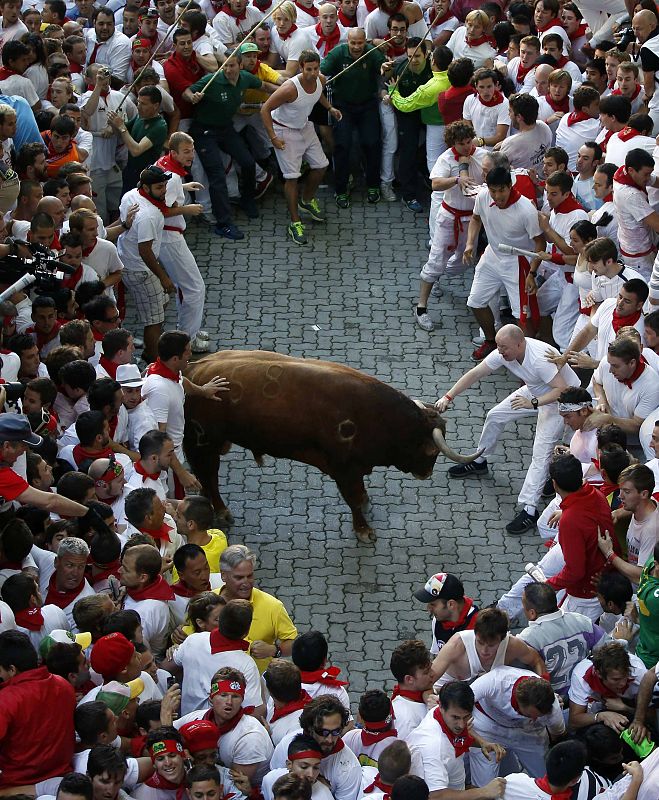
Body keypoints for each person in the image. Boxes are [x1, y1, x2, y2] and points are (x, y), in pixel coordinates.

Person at [436, 324, 580, 534]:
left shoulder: (539, 358)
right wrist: (448, 396)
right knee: (495, 416)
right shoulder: (504, 353)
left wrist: (534, 403)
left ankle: (530, 510)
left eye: (504, 347)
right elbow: (476, 373)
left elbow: (564, 389)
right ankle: (479, 461)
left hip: (561, 402)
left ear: (520, 344)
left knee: (540, 454)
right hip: (534, 392)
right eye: (498, 346)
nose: (500, 351)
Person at [460, 169, 545, 361]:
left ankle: (529, 361)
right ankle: (491, 341)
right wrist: (470, 244)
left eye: (501, 191)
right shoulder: (482, 197)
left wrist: (532, 272)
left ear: (510, 187)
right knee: (475, 301)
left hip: (517, 262)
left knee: (522, 316)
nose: (497, 196)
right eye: (493, 191)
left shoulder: (526, 209)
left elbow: (540, 242)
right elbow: (475, 219)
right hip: (492, 256)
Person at [261, 49, 337, 245]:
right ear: (301, 68)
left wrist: (330, 108)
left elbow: (318, 95)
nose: (312, 73)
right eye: (308, 69)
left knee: (321, 166)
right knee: (292, 178)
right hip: (284, 131)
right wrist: (273, 138)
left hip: (304, 127)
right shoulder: (289, 88)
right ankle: (295, 222)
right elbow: (265, 109)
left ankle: (307, 200)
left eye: (316, 68)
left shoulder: (319, 79)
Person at [141, 331, 228, 497]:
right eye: (187, 351)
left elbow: (181, 381)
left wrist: (203, 391)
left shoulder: (167, 370)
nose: (191, 354)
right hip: (167, 467)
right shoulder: (159, 391)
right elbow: (157, 440)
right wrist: (181, 472)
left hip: (173, 458)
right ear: (175, 359)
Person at [0, 630, 76, 792]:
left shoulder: (5, 700)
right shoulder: (64, 685)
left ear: (12, 669)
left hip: (16, 788)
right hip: (62, 780)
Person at [173, 667, 274, 786]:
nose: (229, 702)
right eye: (223, 695)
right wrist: (180, 750)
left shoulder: (250, 737)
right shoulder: (196, 718)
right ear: (211, 698)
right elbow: (167, 737)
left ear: (242, 700)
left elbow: (233, 786)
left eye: (235, 696)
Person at [408, 681, 505, 799]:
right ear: (441, 706)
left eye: (466, 717)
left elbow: (459, 736)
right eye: (456, 717)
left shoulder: (441, 715)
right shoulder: (435, 747)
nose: (462, 725)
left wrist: (482, 743)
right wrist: (484, 792)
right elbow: (436, 796)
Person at [469, 668, 565, 785]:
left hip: (528, 732)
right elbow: (459, 707)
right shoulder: (495, 682)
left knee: (550, 779)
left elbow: (557, 736)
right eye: (530, 715)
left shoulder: (553, 709)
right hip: (487, 728)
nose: (534, 718)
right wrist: (480, 741)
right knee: (483, 787)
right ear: (519, 701)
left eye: (538, 716)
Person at [172, 596, 262, 715]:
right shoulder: (246, 664)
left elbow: (168, 664)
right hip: (223, 730)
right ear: (246, 632)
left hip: (188, 723)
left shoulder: (193, 640)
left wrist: (172, 649)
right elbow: (253, 710)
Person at [517, 583, 611, 695]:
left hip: (552, 701)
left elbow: (518, 677)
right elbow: (608, 650)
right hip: (586, 694)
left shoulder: (527, 638)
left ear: (532, 613)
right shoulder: (582, 621)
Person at [268, 695, 362, 800]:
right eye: (323, 732)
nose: (330, 740)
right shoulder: (287, 743)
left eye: (336, 731)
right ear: (309, 728)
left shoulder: (349, 768)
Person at [429, 607, 546, 686]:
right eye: (480, 642)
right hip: (445, 689)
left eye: (491, 645)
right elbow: (427, 679)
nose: (484, 650)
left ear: (503, 639)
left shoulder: (513, 645)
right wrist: (428, 696)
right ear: (475, 633)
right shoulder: (457, 644)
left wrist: (545, 687)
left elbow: (536, 660)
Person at [568, 642, 648, 730]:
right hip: (599, 707)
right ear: (599, 674)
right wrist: (601, 716)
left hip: (633, 705)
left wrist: (625, 708)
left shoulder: (640, 674)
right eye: (616, 679)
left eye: (625, 676)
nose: (623, 683)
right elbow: (574, 721)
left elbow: (652, 716)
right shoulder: (581, 676)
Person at [120, 543, 174, 660]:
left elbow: (137, 655)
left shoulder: (146, 612)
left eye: (125, 569)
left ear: (143, 578)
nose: (119, 571)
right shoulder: (150, 584)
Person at [261, 735, 334, 800]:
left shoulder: (324, 797)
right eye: (304, 767)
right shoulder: (270, 780)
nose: (311, 774)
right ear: (289, 764)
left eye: (316, 767)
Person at [389, 639, 435, 739]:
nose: (433, 674)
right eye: (426, 672)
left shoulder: (420, 692)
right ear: (409, 679)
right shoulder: (407, 722)